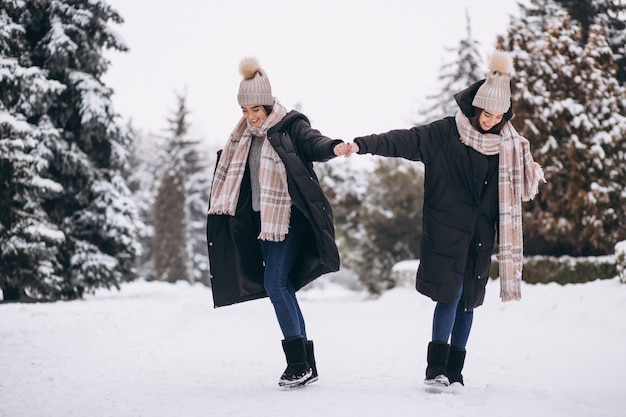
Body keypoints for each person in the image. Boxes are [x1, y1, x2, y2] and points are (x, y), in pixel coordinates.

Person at [347, 50, 545, 389]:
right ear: (476, 106)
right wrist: (363, 145)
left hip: (481, 234)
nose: (490, 120)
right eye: (486, 113)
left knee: (469, 301)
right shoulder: (444, 134)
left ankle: (455, 371)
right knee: (449, 296)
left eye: (498, 115)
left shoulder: (508, 146)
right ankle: (435, 369)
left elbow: (517, 186)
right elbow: (404, 140)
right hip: (447, 231)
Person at [206, 57, 352, 388]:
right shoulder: (242, 136)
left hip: (290, 218)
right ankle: (305, 364)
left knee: (275, 283)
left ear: (268, 102)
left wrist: (333, 147)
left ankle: (297, 364)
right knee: (281, 285)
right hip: (261, 222)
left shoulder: (290, 126)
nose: (249, 116)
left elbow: (313, 142)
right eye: (244, 110)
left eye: (254, 109)